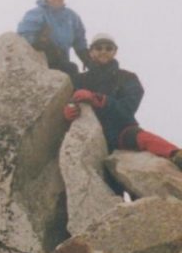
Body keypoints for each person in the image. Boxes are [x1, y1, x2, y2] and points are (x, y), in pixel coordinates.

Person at [64, 32, 182, 169]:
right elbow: (69, 100)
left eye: (108, 48)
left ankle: (175, 154)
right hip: (87, 134)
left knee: (143, 138)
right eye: (98, 48)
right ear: (90, 52)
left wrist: (100, 100)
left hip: (121, 131)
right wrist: (68, 110)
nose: (104, 51)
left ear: (115, 52)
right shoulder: (78, 79)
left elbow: (128, 108)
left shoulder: (128, 78)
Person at [17, 0, 90, 82]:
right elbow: (24, 36)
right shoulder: (37, 14)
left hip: (63, 62)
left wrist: (88, 60)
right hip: (41, 61)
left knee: (73, 71)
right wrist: (42, 43)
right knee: (71, 69)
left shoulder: (71, 17)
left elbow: (79, 41)